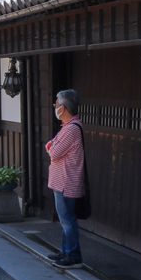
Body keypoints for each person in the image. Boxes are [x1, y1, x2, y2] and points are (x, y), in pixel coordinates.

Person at [46, 89, 86, 269]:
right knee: (65, 220)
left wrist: (51, 147)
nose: (54, 106)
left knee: (67, 220)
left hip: (66, 182)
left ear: (63, 108)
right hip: (62, 180)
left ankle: (72, 255)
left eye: (56, 104)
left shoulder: (71, 129)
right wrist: (51, 146)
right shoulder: (68, 128)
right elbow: (52, 147)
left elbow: (53, 151)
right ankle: (66, 251)